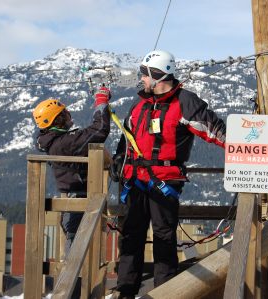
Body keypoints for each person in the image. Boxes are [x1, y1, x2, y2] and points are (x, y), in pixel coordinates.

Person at [112, 50, 226, 298]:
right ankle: (125, 289)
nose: (141, 79)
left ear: (157, 75)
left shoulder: (184, 102)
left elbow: (215, 130)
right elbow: (127, 136)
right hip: (134, 178)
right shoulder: (139, 103)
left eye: (144, 74)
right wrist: (119, 158)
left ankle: (165, 292)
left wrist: (246, 150)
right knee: (132, 234)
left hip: (164, 180)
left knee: (164, 237)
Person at [33, 86, 111, 254]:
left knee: (76, 246)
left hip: (73, 200)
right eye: (65, 113)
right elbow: (99, 130)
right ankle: (73, 280)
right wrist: (101, 104)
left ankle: (74, 278)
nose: (69, 115)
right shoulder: (65, 142)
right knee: (76, 250)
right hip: (78, 201)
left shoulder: (54, 142)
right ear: (58, 119)